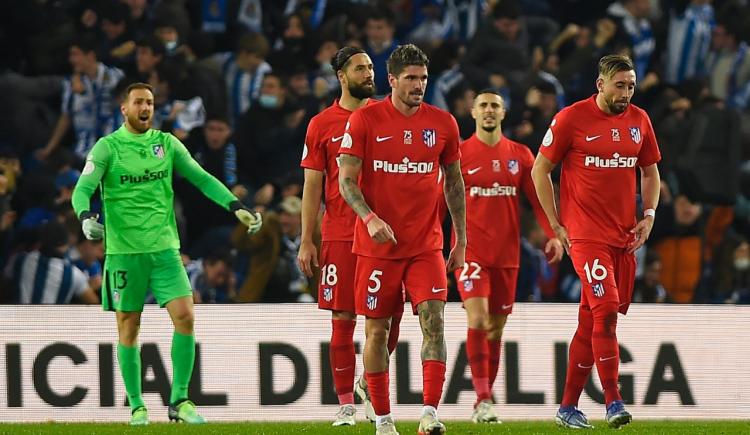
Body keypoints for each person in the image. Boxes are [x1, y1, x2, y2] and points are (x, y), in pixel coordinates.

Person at [71, 82, 262, 425]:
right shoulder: (107, 148)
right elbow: (82, 189)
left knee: (186, 316)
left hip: (165, 251)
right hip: (124, 254)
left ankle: (180, 401)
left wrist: (235, 206)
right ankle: (136, 406)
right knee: (128, 327)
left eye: (150, 103)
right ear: (124, 109)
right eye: (138, 103)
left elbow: (203, 179)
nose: (145, 108)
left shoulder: (167, 144)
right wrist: (85, 217)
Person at [338, 44, 466, 435]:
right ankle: (383, 419)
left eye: (423, 78)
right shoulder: (365, 121)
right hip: (377, 248)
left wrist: (460, 238)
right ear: (391, 80)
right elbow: (345, 180)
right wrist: (370, 217)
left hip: (426, 245)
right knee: (377, 331)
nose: (418, 85)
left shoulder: (444, 124)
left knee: (435, 322)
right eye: (410, 78)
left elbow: (455, 183)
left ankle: (429, 413)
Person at [531, 54, 661, 429]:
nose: (626, 93)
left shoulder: (640, 120)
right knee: (604, 311)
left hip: (623, 236)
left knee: (591, 323)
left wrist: (649, 215)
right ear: (600, 85)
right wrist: (556, 224)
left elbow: (650, 172)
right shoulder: (572, 118)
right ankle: (613, 400)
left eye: (631, 86)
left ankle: (567, 407)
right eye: (619, 85)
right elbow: (541, 170)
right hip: (585, 235)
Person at [297, 46, 402, 426]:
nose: (368, 73)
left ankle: (367, 383)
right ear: (342, 76)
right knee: (342, 318)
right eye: (360, 68)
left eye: (371, 67)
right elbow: (312, 185)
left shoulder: (388, 116)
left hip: (384, 233)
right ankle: (345, 404)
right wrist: (307, 239)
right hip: (340, 232)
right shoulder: (321, 124)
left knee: (389, 319)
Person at [457, 90, 564, 423]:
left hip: (507, 256)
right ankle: (483, 398)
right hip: (471, 254)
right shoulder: (459, 154)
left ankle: (485, 399)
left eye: (495, 106)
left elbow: (538, 200)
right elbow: (437, 204)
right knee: (477, 319)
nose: (489, 111)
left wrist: (554, 234)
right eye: (483, 106)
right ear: (473, 113)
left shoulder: (520, 155)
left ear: (503, 113)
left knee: (495, 329)